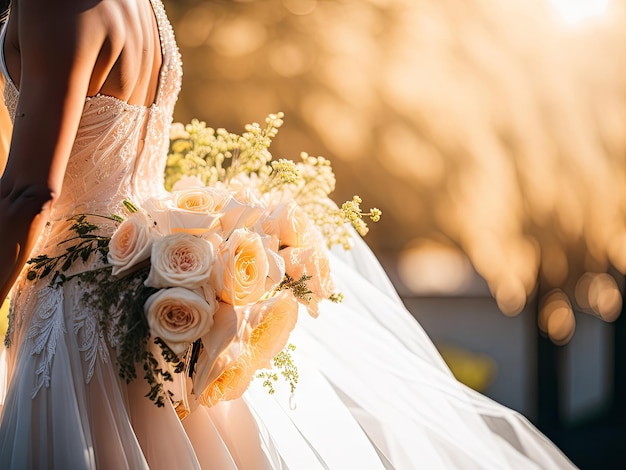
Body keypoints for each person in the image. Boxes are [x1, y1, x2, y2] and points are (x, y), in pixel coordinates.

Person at [0, 0, 576, 468]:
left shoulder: (56, 6)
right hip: (141, 297)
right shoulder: (143, 7)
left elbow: (30, 194)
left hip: (81, 307)